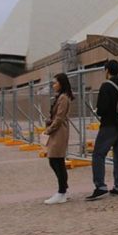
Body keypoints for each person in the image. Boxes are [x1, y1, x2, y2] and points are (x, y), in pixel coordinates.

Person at [86, 60, 118, 201]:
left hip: (109, 125)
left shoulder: (106, 86)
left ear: (107, 70)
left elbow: (102, 109)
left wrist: (98, 111)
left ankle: (100, 186)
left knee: (98, 154)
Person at [42, 74, 74, 204]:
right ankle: (63, 189)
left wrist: (48, 130)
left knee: (56, 160)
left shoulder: (63, 98)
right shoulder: (60, 97)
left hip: (59, 132)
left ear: (61, 83)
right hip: (56, 131)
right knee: (55, 161)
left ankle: (62, 192)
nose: (53, 85)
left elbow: (59, 118)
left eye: (55, 83)